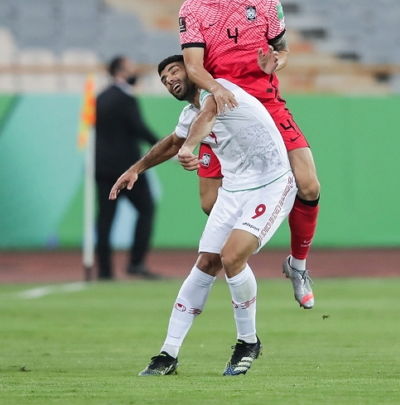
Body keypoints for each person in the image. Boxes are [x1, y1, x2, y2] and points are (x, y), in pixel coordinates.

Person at [110, 55, 297, 376]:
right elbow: (172, 141)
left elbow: (207, 116)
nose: (168, 79)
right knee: (205, 263)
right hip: (234, 189)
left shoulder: (221, 90)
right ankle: (168, 353)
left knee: (232, 256)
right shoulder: (189, 113)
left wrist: (189, 147)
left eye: (173, 70)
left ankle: (247, 341)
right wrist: (136, 169)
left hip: (271, 183)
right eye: (163, 78)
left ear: (194, 69)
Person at [178, 0, 319, 309]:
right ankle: (235, 249)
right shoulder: (192, 10)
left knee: (308, 184)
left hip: (268, 103)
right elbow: (193, 67)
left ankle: (298, 265)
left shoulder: (265, 1)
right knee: (211, 203)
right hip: (222, 110)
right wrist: (217, 89)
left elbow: (283, 50)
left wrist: (278, 61)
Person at [95, 55, 160, 280]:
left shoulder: (100, 97)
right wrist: (166, 148)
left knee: (105, 219)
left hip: (102, 168)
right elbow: (139, 128)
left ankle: (104, 271)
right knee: (147, 209)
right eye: (131, 68)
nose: (135, 73)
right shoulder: (125, 99)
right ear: (121, 72)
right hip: (126, 170)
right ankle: (136, 263)